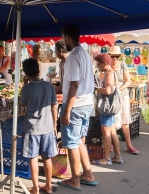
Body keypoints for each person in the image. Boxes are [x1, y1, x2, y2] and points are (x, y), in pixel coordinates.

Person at [58, 24, 97, 191]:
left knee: (72, 143)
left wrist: (67, 109)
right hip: (86, 103)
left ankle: (75, 179)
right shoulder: (84, 54)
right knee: (79, 140)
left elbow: (74, 85)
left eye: (62, 37)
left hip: (76, 104)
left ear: (67, 37)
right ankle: (87, 174)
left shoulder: (73, 57)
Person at [21, 58, 57, 194]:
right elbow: (54, 107)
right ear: (38, 70)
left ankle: (35, 189)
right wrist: (54, 124)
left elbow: (23, 104)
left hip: (31, 129)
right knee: (47, 158)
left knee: (33, 158)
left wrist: (25, 84)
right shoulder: (49, 86)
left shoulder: (26, 88)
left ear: (26, 73)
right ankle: (48, 187)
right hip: (47, 127)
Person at [108, 46, 139, 154]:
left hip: (123, 95)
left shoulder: (123, 65)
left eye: (117, 56)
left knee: (125, 121)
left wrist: (120, 88)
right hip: (111, 97)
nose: (115, 58)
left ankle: (129, 145)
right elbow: (102, 80)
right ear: (109, 56)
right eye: (113, 56)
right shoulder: (107, 66)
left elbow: (128, 81)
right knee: (113, 121)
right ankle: (111, 144)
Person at [94, 53, 123, 165]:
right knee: (112, 131)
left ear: (105, 64)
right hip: (110, 107)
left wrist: (96, 89)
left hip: (107, 107)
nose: (97, 67)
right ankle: (117, 156)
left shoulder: (110, 74)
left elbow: (108, 91)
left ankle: (107, 158)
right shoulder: (109, 73)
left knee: (106, 132)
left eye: (99, 64)